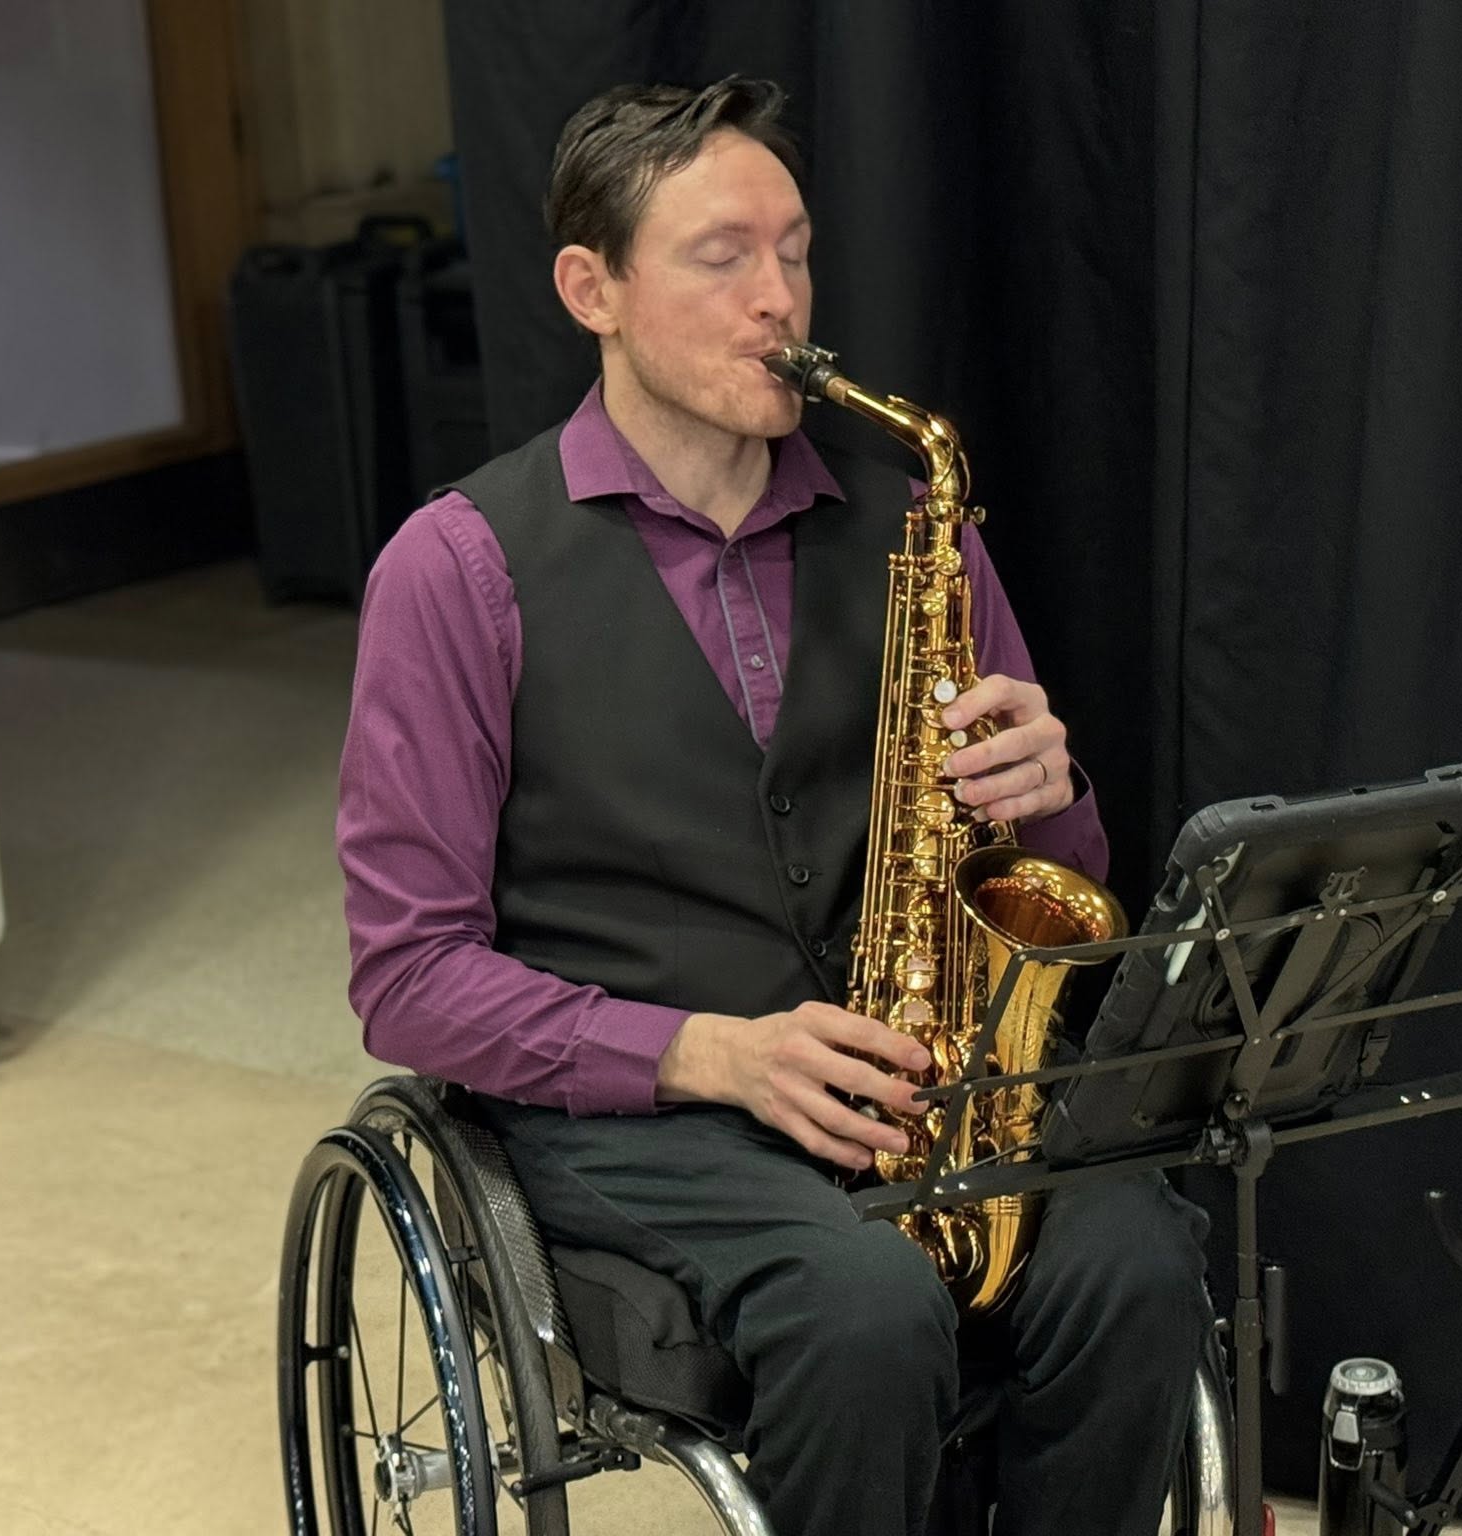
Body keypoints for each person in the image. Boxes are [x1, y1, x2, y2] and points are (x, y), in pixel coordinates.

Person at [337, 77, 1209, 1536]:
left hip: (919, 1072)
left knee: (1140, 1259)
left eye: (794, 250)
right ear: (592, 291)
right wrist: (708, 1054)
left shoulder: (919, 526)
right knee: (861, 1311)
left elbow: (1051, 881)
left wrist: (1049, 792)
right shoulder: (457, 569)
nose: (779, 299)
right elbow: (407, 976)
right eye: (721, 256)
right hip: (642, 1109)